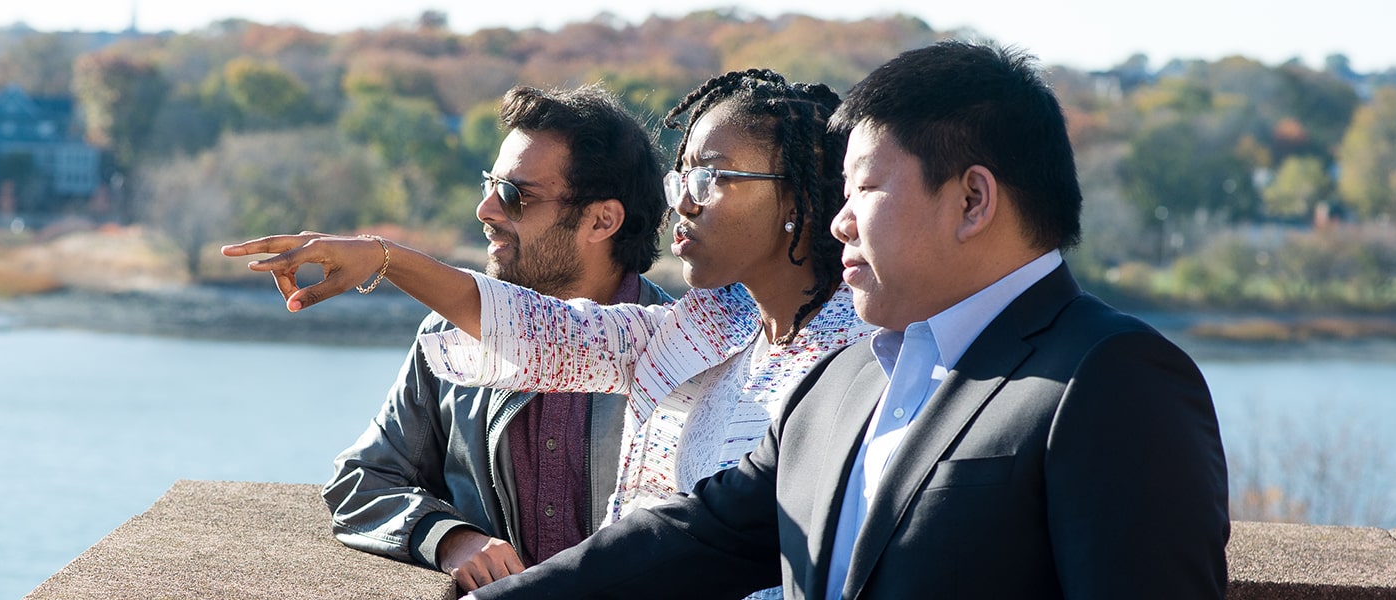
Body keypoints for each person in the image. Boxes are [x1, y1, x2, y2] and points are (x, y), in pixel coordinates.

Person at [462, 41, 1231, 600]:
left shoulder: (1112, 379)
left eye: (864, 191)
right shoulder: (843, 380)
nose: (837, 223)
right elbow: (696, 540)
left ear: (973, 200)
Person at [225, 69, 868, 594]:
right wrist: (385, 258)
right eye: (682, 178)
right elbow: (547, 336)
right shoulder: (704, 327)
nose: (685, 202)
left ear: (799, 199)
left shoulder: (865, 357)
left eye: (712, 177)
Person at [306, 84, 673, 592]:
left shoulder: (682, 353)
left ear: (602, 220)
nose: (485, 210)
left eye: (515, 196)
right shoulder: (448, 338)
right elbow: (361, 480)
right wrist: (448, 537)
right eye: (490, 184)